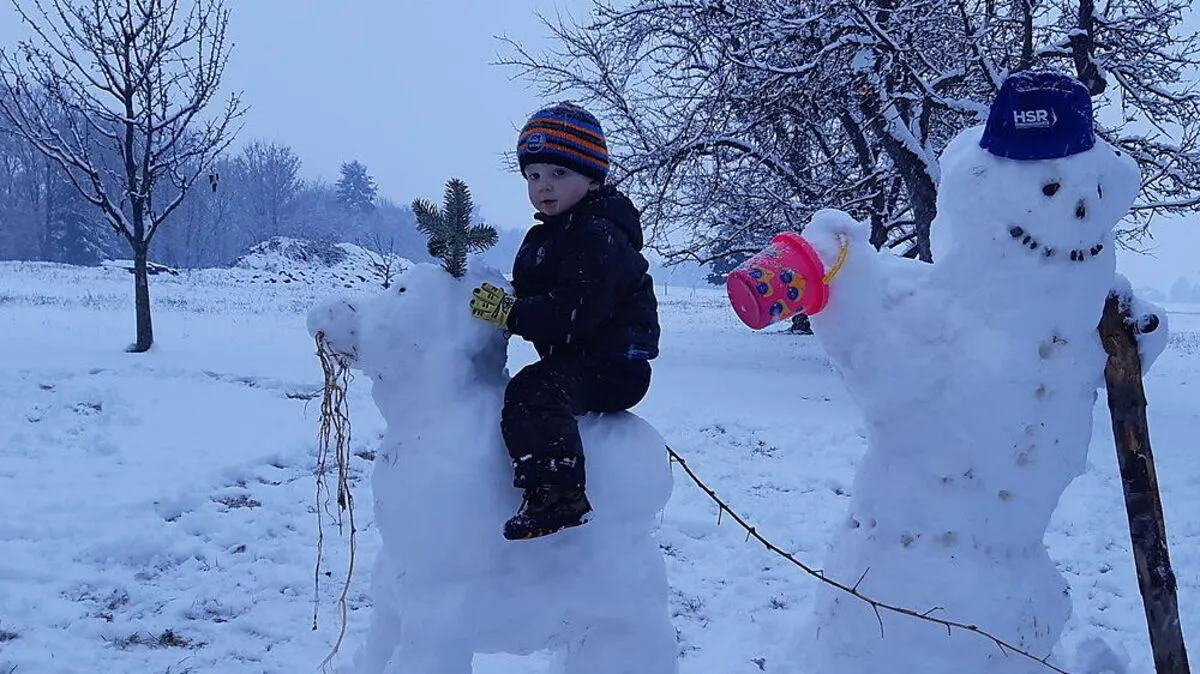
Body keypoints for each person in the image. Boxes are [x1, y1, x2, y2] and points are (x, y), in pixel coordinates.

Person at [469, 102, 661, 541]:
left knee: (534, 391)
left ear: (592, 177)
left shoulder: (598, 233)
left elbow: (574, 311)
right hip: (582, 357)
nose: (543, 186)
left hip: (616, 365)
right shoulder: (554, 233)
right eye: (533, 175)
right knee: (538, 384)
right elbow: (538, 293)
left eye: (558, 173)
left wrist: (511, 313)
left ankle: (559, 495)